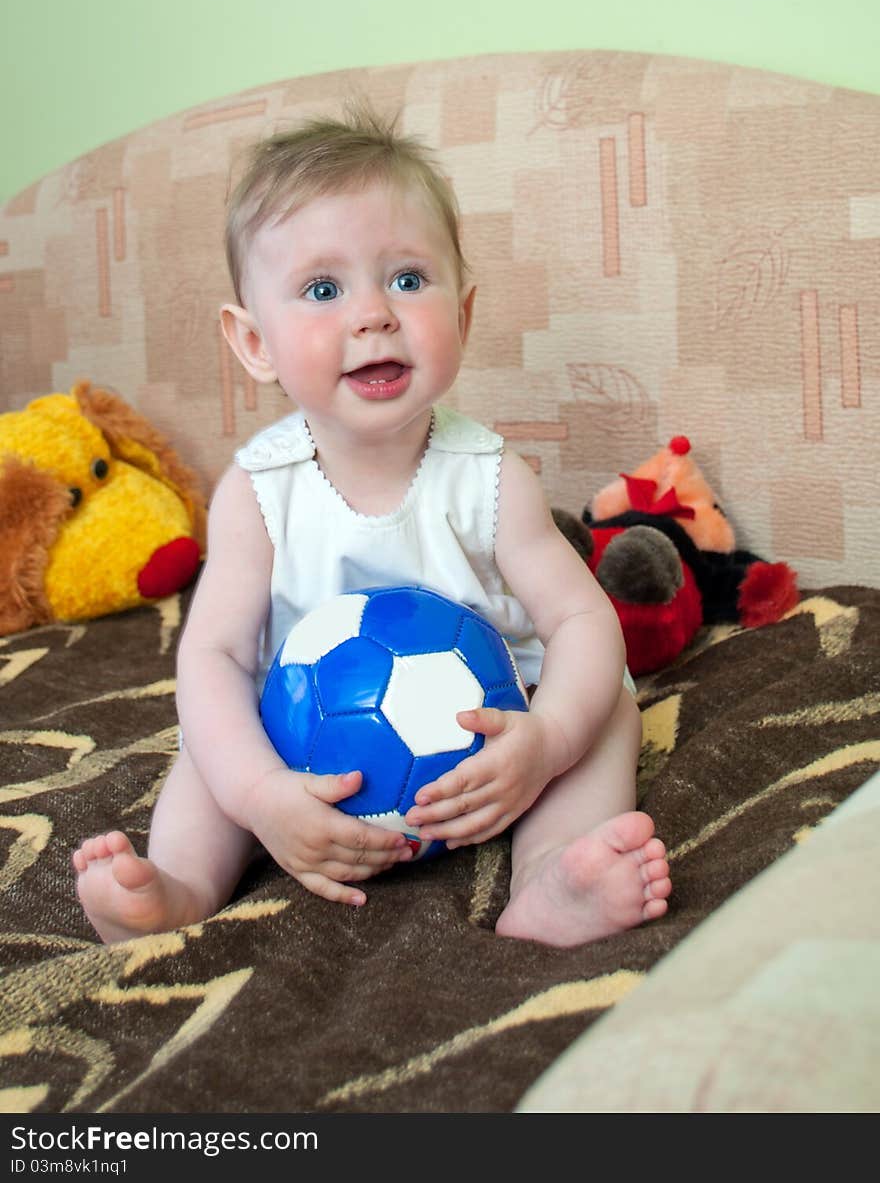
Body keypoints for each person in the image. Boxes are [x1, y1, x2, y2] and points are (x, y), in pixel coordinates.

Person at [73, 106, 672, 948]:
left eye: (407, 279)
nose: (373, 315)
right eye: (324, 289)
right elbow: (211, 655)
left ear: (461, 313)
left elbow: (581, 619)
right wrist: (260, 793)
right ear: (254, 343)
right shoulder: (258, 491)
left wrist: (545, 739)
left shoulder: (494, 478)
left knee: (606, 705)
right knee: (211, 746)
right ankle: (177, 889)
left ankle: (548, 876)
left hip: (489, 753)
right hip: (307, 758)